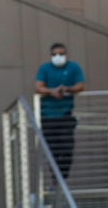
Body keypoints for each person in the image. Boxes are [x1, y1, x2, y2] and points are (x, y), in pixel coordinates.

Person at [34, 42, 85, 181]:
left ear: (66, 55)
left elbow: (80, 85)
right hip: (47, 116)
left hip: (65, 114)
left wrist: (67, 89)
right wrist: (51, 91)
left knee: (67, 148)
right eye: (55, 54)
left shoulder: (73, 67)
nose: (58, 57)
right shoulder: (44, 68)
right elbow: (38, 87)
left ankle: (62, 178)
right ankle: (56, 180)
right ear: (50, 56)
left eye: (61, 54)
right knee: (53, 150)